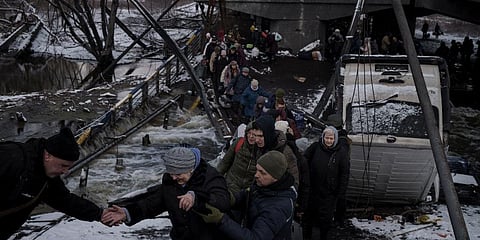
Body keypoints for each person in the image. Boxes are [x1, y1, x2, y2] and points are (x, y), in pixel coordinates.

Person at [102, 146, 230, 240]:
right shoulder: (171, 181)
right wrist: (127, 213)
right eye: (171, 173)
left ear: (191, 169)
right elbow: (152, 203)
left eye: (178, 174)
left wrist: (195, 197)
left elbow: (224, 201)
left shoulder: (210, 177)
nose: (174, 178)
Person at [0, 128, 108, 239]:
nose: (65, 171)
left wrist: (100, 214)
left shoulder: (46, 178)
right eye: (63, 165)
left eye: (68, 167)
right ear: (48, 156)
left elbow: (66, 202)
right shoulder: (12, 158)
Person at [198, 150, 297, 240]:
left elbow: (255, 237)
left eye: (262, 173)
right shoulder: (264, 186)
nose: (256, 175)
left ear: (276, 177)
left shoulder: (277, 208)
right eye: (257, 170)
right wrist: (227, 198)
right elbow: (246, 196)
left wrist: (220, 219)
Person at [302, 126, 350, 240]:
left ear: (335, 139)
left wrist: (341, 192)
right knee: (309, 217)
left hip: (329, 192)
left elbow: (344, 173)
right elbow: (304, 160)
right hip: (313, 189)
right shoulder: (315, 147)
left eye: (331, 138)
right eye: (327, 138)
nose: (328, 141)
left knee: (325, 220)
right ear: (323, 137)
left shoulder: (341, 153)